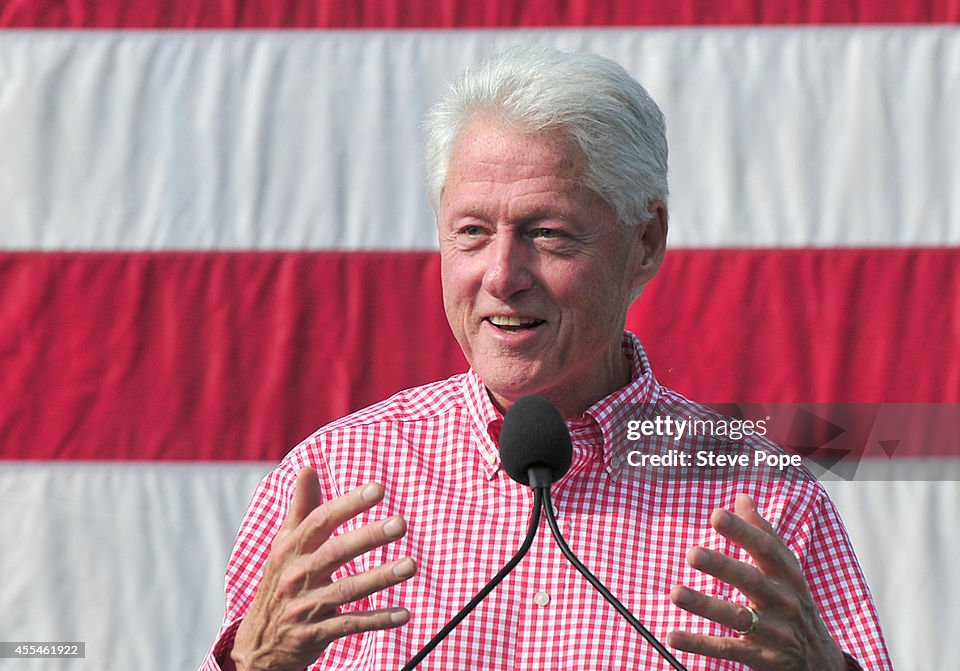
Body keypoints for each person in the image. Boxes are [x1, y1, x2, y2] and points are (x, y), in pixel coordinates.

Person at [200, 46, 891, 671]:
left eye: (547, 234)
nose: (502, 275)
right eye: (472, 231)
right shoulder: (332, 481)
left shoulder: (765, 502)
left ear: (644, 242)